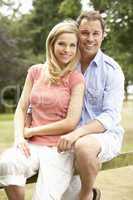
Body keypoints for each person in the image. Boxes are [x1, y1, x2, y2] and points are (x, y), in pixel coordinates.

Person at [0, 20, 85, 200]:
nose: (67, 50)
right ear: (51, 43)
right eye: (62, 43)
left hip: (59, 149)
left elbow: (70, 122)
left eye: (72, 45)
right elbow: (22, 108)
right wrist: (19, 137)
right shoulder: (35, 72)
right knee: (6, 163)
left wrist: (31, 130)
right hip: (31, 146)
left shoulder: (76, 79)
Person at [60, 11, 125, 200]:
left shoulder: (112, 70)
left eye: (95, 33)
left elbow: (110, 117)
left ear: (103, 35)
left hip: (104, 136)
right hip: (68, 137)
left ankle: (87, 196)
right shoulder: (66, 64)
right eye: (85, 33)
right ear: (77, 33)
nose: (90, 39)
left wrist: (77, 134)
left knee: (84, 147)